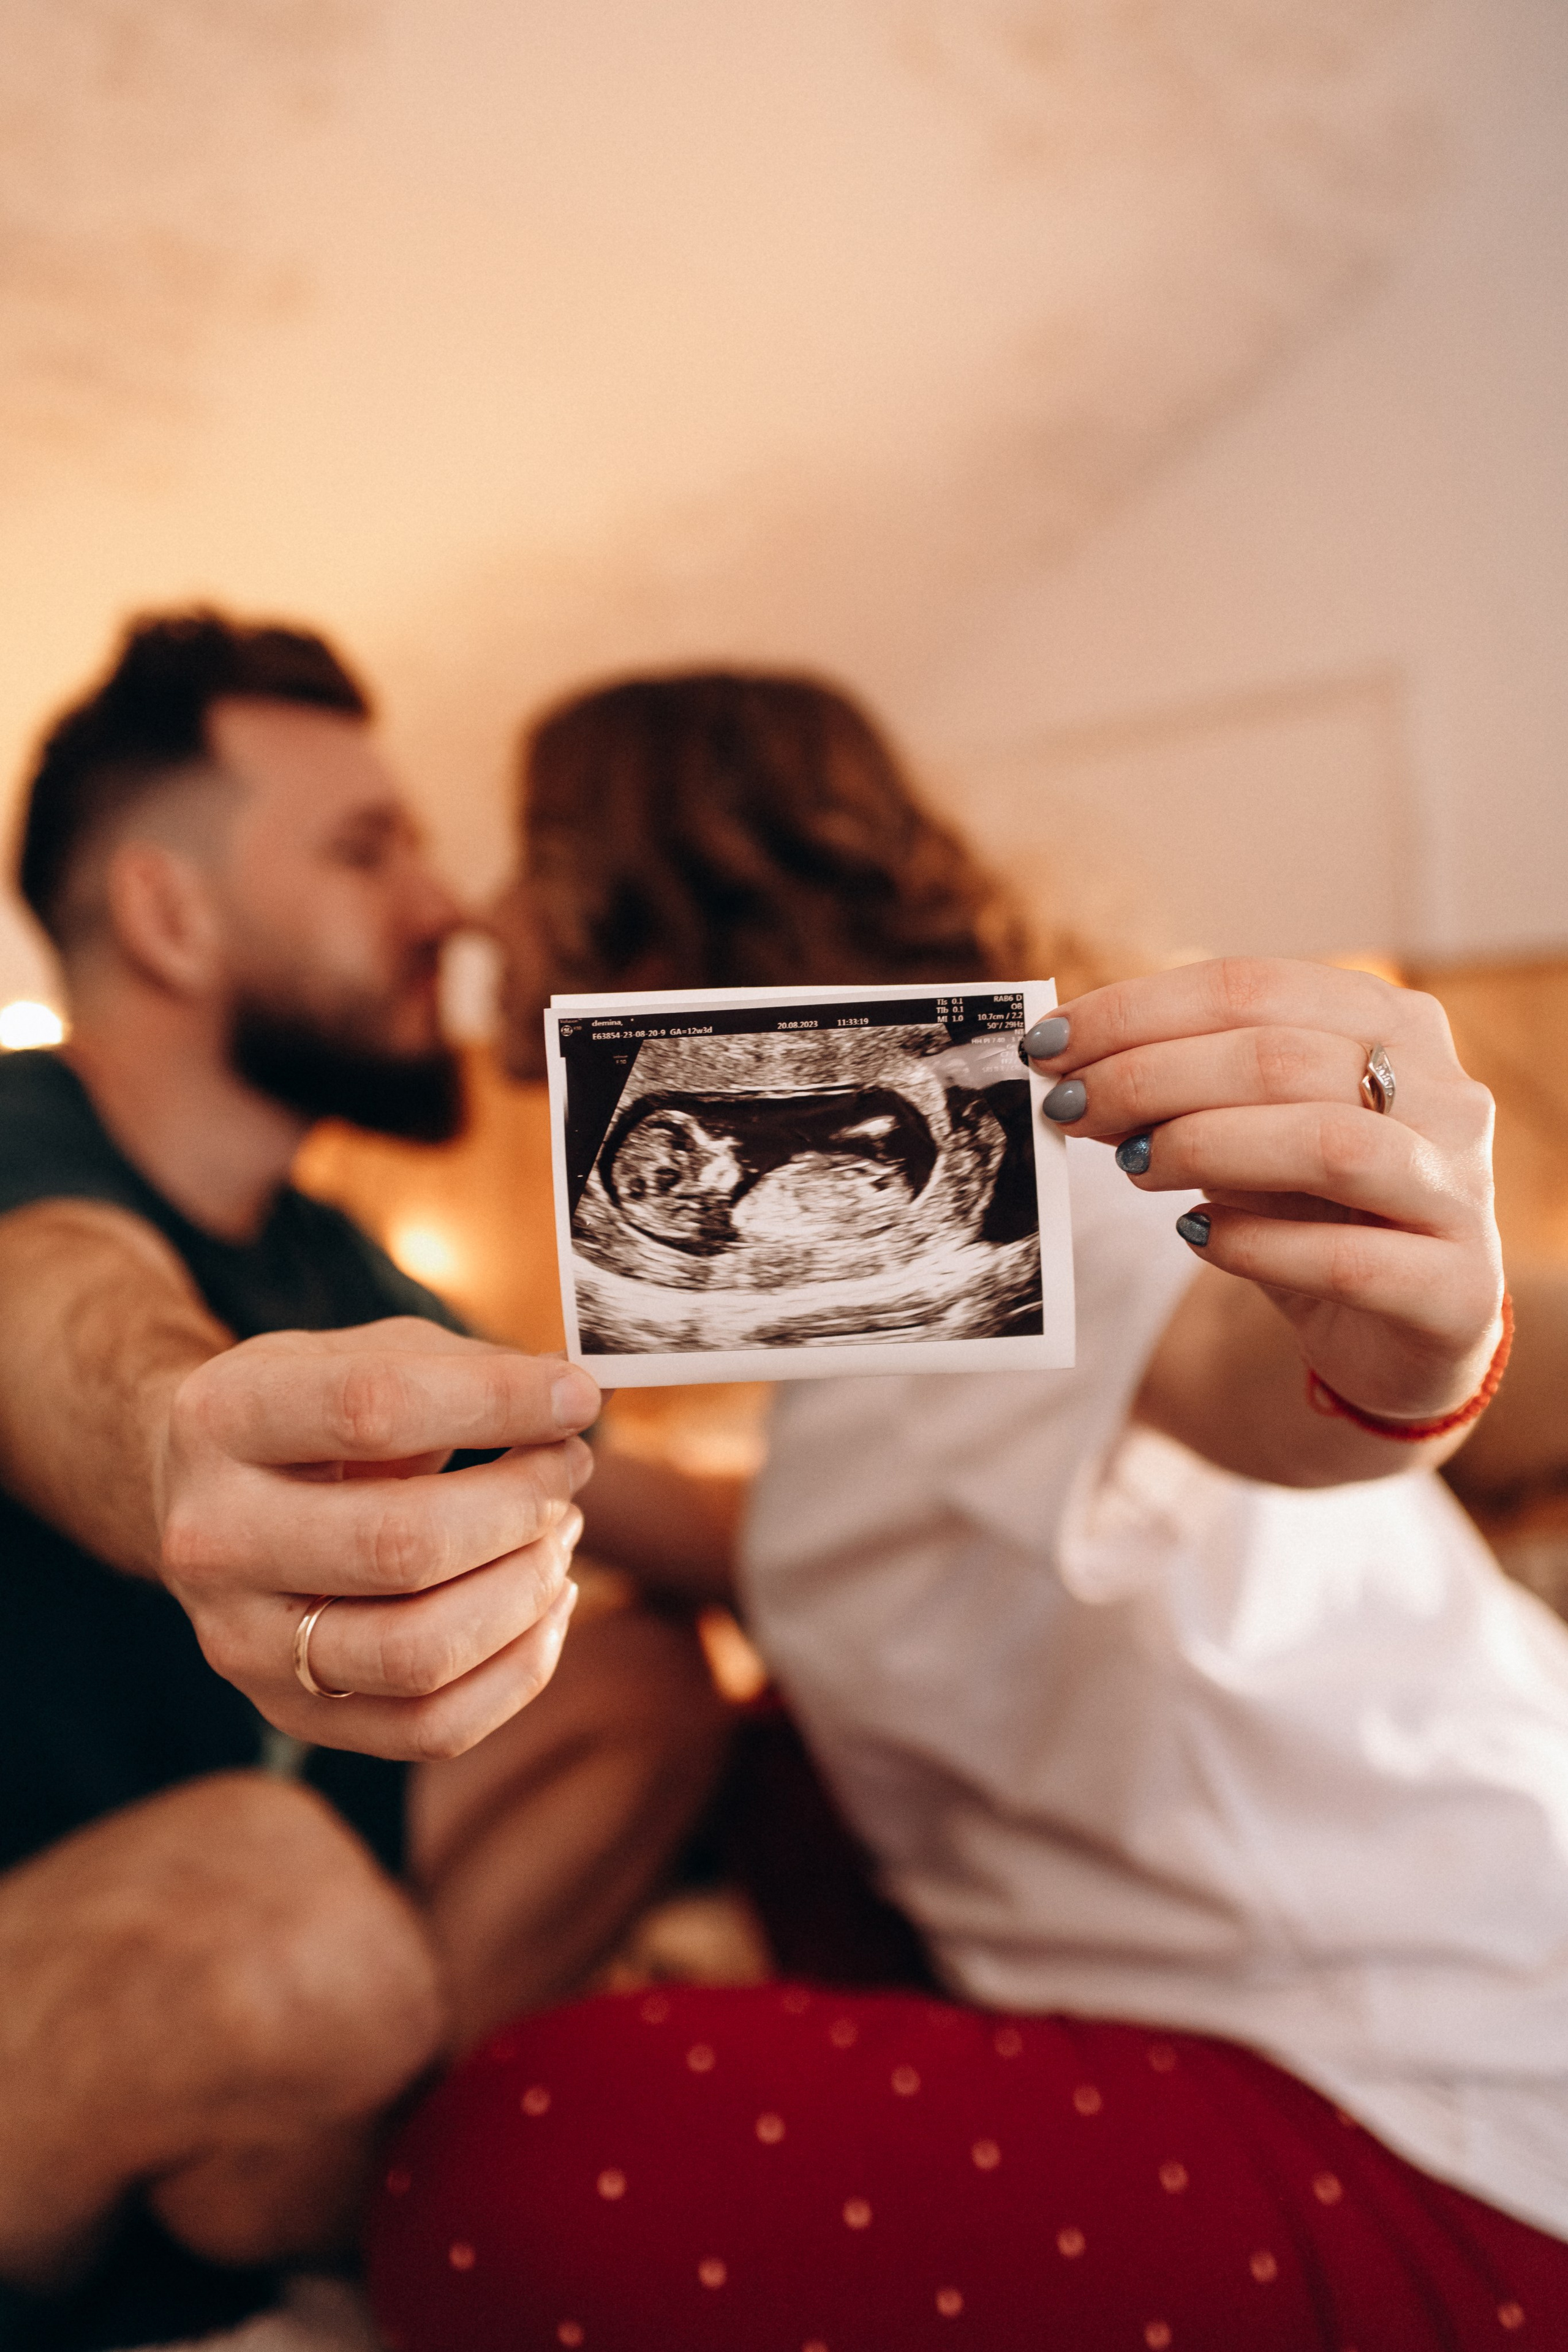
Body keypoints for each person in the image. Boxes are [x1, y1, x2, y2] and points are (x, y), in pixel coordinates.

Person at [370, 669, 1568, 2351]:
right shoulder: (864, 1276)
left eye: (520, 856)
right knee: (780, 1761)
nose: (481, 906)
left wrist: (1408, 1360)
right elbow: (804, 1542)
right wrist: (445, 1427)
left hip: (1447, 2081)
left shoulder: (1054, 1185)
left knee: (530, 2163)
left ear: (613, 886)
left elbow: (1254, 1379)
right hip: (1251, 1996)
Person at [0, 617, 727, 2351]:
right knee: (281, 1905)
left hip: (277, 2018)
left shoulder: (336, 1258)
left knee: (642, 1678)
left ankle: (294, 2190)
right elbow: (61, 1321)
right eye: (365, 847)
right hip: (70, 1958)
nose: (449, 908)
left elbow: (671, 1512)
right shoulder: (24, 1138)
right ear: (169, 915)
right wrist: (187, 1436)